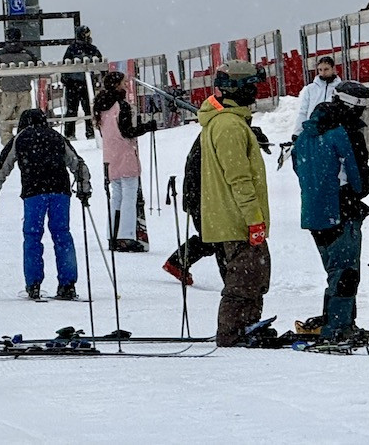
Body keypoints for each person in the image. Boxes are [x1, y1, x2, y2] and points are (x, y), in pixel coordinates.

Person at [292, 80, 369, 345]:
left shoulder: (306, 133)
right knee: (345, 271)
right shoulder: (345, 132)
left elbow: (299, 166)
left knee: (334, 270)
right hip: (341, 208)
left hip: (314, 211)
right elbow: (359, 180)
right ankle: (339, 326)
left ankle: (336, 320)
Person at [198, 61, 272, 347]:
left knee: (255, 276)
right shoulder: (229, 126)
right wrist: (254, 219)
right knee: (244, 280)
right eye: (252, 86)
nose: (256, 92)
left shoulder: (230, 121)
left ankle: (247, 325)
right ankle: (231, 331)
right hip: (237, 218)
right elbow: (239, 179)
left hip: (232, 215)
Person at [0, 108, 92, 300]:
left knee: (33, 237)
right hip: (60, 191)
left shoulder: (20, 139)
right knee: (62, 235)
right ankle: (67, 285)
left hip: (34, 193)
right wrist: (84, 189)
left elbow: (1, 169)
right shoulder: (56, 137)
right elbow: (78, 164)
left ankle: (33, 284)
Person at [163, 124, 271, 286]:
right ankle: (231, 285)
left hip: (200, 194)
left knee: (213, 237)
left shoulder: (219, 131)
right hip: (204, 196)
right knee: (218, 238)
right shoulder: (227, 133)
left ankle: (179, 262)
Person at [93, 71, 156, 252]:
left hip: (109, 155)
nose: (126, 85)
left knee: (117, 196)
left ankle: (112, 234)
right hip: (125, 154)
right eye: (123, 83)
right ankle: (127, 235)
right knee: (129, 194)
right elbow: (127, 131)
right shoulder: (121, 105)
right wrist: (146, 127)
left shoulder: (101, 105)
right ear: (117, 85)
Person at [0, 27, 38, 147]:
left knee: (6, 119)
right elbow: (36, 64)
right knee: (25, 118)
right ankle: (25, 141)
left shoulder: (1, 54)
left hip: (8, 90)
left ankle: (8, 143)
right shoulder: (27, 53)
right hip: (24, 89)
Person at [61, 25, 102, 140]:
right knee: (89, 109)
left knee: (71, 110)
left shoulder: (71, 49)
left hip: (71, 84)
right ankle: (90, 132)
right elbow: (100, 64)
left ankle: (69, 134)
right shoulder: (92, 49)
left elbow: (65, 66)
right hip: (86, 84)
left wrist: (65, 80)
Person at [293, 55, 341, 138]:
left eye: (326, 69)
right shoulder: (310, 89)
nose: (323, 73)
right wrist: (297, 133)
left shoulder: (339, 88)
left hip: (332, 132)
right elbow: (303, 112)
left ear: (333, 69)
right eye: (320, 70)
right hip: (312, 130)